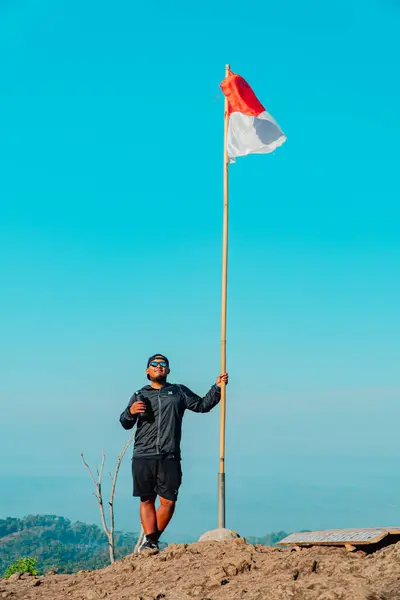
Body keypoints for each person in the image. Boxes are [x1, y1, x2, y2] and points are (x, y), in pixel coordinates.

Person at [119, 354, 228, 552]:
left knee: (168, 501)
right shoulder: (138, 395)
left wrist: (217, 387)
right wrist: (130, 412)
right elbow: (125, 424)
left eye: (163, 364)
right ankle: (151, 544)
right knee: (147, 499)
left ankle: (150, 540)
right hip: (143, 455)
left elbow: (202, 406)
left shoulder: (178, 391)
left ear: (168, 370)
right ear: (147, 371)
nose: (159, 366)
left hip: (170, 455)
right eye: (154, 364)